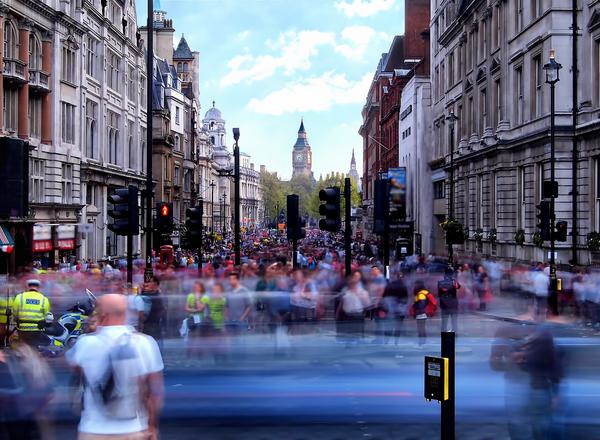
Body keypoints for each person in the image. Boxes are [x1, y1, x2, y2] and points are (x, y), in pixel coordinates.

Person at [67, 294, 164, 440]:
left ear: (102, 315)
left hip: (93, 430)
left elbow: (74, 366)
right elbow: (155, 392)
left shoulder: (85, 343)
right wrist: (151, 425)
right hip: (133, 430)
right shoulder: (145, 343)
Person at [12, 279, 51, 348]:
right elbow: (46, 315)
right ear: (38, 287)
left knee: (21, 345)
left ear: (28, 286)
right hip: (37, 329)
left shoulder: (19, 297)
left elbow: (14, 313)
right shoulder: (44, 299)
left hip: (22, 328)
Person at [139, 277, 166, 350]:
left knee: (151, 346)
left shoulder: (152, 295)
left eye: (149, 282)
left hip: (150, 324)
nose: (146, 284)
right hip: (153, 324)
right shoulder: (155, 294)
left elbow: (143, 313)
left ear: (155, 284)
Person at [438, 268, 460, 333]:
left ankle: (443, 335)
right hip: (453, 304)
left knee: (444, 322)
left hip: (444, 304)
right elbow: (458, 287)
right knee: (454, 321)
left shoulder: (440, 282)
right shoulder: (454, 282)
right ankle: (454, 335)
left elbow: (439, 294)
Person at [411, 280, 430, 347]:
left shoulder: (421, 294)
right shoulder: (423, 293)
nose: (414, 286)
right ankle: (422, 342)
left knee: (420, 328)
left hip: (421, 313)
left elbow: (422, 303)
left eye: (415, 285)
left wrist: (415, 305)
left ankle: (421, 343)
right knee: (422, 328)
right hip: (423, 312)